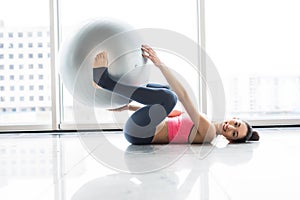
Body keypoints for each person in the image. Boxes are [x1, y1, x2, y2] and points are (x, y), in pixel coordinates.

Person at [92, 45, 260, 145]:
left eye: (234, 133)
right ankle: (119, 91)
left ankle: (105, 81)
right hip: (142, 126)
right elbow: (172, 114)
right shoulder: (207, 120)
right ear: (235, 118)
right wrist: (129, 106)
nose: (230, 128)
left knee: (170, 97)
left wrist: (160, 64)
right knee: (167, 91)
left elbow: (184, 97)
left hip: (140, 134)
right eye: (236, 124)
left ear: (229, 139)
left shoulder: (208, 133)